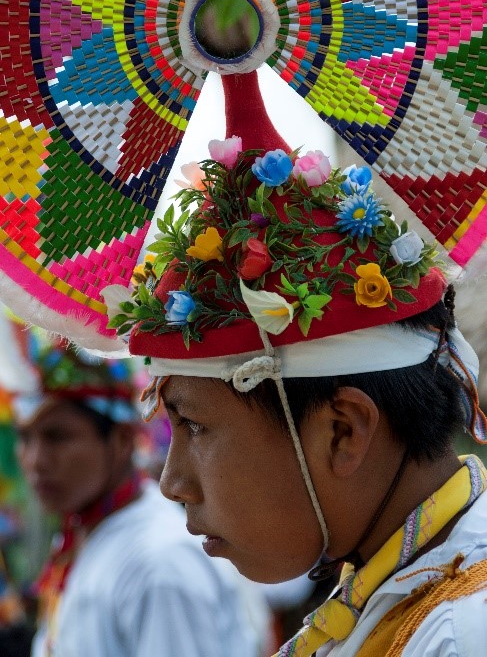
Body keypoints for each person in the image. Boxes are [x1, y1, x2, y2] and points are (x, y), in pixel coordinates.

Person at [103, 69, 487, 657]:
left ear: (343, 430)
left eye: (195, 425)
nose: (172, 483)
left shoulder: (461, 633)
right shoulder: (393, 597)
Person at [14, 338, 268, 657]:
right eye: (25, 437)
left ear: (121, 441)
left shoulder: (159, 564)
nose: (35, 460)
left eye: (57, 437)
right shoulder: (87, 534)